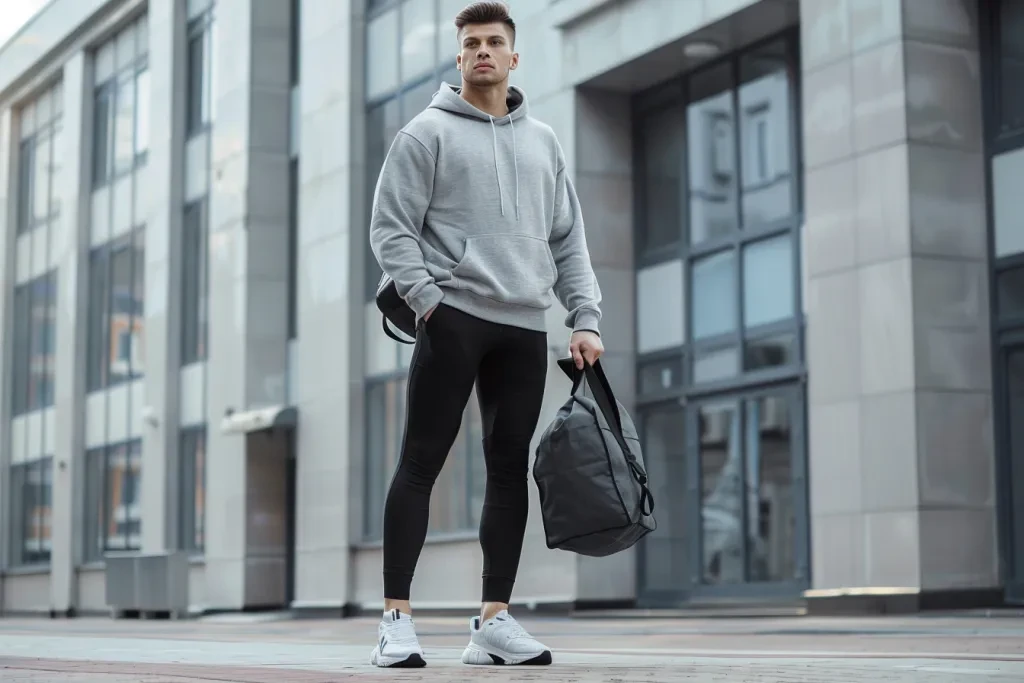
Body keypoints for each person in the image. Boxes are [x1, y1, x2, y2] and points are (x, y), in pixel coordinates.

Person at [368, 0, 603, 668]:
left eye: (494, 42)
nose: (482, 52)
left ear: (513, 56)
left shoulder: (544, 141)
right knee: (422, 462)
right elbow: (390, 227)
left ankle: (493, 621)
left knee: (508, 470)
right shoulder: (425, 134)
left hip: (525, 324)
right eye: (471, 42)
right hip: (454, 318)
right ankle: (396, 620)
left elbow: (568, 240)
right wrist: (429, 302)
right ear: (459, 55)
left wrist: (583, 317)